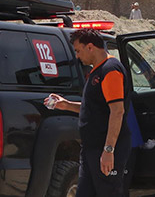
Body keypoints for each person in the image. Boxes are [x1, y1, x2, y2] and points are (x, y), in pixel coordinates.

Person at [46, 29, 133, 197]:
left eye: (78, 51)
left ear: (90, 47)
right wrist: (66, 105)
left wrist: (109, 151)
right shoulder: (96, 71)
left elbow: (117, 111)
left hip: (105, 149)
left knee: (109, 192)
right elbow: (95, 108)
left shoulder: (110, 69)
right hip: (90, 149)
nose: (77, 56)